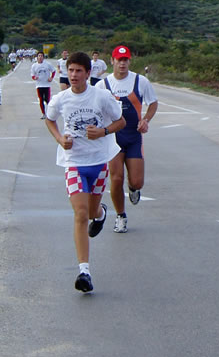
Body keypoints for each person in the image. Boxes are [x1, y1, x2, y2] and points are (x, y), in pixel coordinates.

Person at [45, 51, 126, 293]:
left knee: (91, 211)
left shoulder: (101, 97)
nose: (74, 75)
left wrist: (103, 131)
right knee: (80, 214)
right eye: (70, 70)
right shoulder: (61, 99)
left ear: (88, 73)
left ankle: (100, 214)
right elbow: (49, 119)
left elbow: (120, 121)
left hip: (98, 162)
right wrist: (60, 139)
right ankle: (84, 272)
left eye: (79, 71)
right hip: (74, 163)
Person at [96, 45, 158, 233]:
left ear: (129, 61)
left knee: (137, 181)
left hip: (133, 136)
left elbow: (153, 103)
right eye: (119, 60)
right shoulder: (102, 85)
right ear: (112, 61)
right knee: (116, 178)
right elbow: (94, 108)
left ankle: (133, 188)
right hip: (113, 138)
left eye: (125, 60)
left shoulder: (140, 81)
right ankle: (120, 216)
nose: (122, 64)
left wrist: (145, 120)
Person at [31, 51, 56, 119]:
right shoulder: (34, 66)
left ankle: (50, 113)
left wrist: (51, 78)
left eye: (41, 56)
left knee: (47, 100)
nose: (40, 57)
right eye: (39, 56)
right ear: (37, 57)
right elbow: (32, 75)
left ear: (43, 57)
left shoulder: (47, 64)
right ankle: (43, 113)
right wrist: (34, 78)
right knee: (41, 99)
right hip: (39, 85)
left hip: (46, 85)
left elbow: (53, 71)